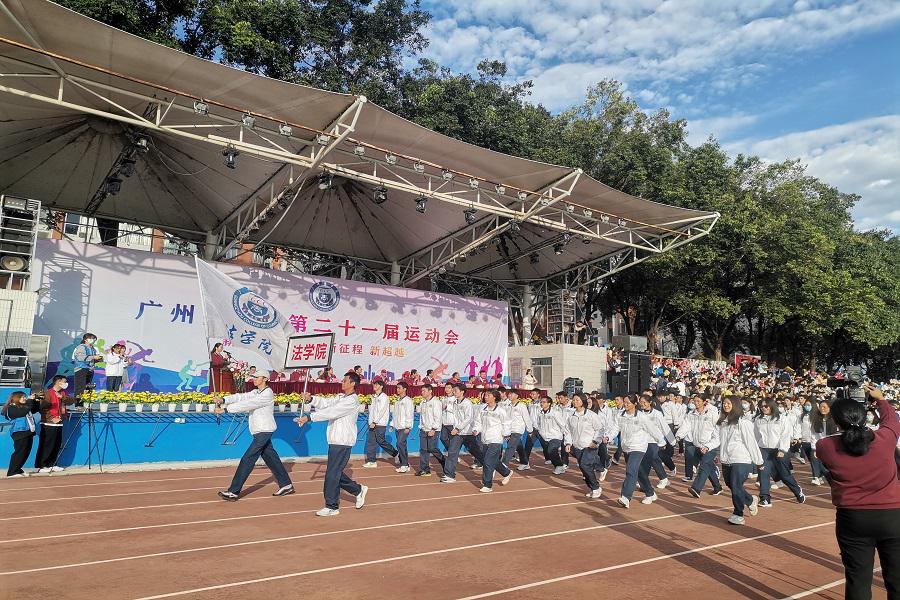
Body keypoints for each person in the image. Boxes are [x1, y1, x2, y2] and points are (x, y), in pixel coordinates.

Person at [816, 385, 900, 599]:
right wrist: (881, 400)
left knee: (858, 579)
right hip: (892, 516)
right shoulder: (885, 439)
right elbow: (892, 421)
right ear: (864, 417)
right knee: (897, 577)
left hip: (852, 518)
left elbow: (835, 442)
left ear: (836, 421)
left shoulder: (825, 446)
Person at [297, 372, 368, 516]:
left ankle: (332, 506)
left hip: (343, 441)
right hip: (334, 439)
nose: (342, 382)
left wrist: (309, 417)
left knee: (332, 474)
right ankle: (358, 490)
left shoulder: (352, 400)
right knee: (334, 473)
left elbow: (332, 412)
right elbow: (327, 403)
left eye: (345, 380)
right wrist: (311, 399)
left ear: (353, 383)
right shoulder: (341, 397)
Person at [214, 373, 293, 501]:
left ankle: (233, 491)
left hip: (264, 431)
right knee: (271, 458)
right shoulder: (256, 392)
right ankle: (286, 485)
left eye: (257, 377)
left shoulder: (267, 394)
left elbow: (249, 404)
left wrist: (226, 409)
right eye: (254, 377)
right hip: (259, 431)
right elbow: (241, 397)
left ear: (265, 379)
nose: (254, 379)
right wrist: (223, 400)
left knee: (248, 459)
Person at [717, 396, 763, 525]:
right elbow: (720, 441)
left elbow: (751, 442)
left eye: (729, 403)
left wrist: (759, 461)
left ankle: (738, 513)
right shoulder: (722, 423)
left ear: (735, 405)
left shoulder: (743, 423)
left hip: (741, 459)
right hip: (726, 459)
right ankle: (750, 500)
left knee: (736, 485)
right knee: (731, 485)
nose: (726, 405)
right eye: (724, 403)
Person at [754, 397, 805, 507]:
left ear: (772, 406)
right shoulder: (758, 419)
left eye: (766, 406)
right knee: (763, 473)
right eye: (761, 406)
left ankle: (797, 490)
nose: (764, 408)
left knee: (784, 475)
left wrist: (782, 449)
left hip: (778, 450)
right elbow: (756, 436)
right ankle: (765, 498)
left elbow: (785, 435)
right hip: (764, 450)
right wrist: (757, 449)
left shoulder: (781, 419)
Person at [609, 395, 657, 507]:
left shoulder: (641, 417)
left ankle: (625, 497)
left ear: (635, 404)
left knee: (630, 470)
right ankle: (650, 492)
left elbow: (653, 430)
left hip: (638, 447)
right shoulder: (620, 415)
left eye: (628, 403)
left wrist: (662, 442)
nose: (625, 405)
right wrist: (609, 437)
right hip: (626, 447)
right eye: (624, 402)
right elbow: (615, 428)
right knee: (638, 472)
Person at [677, 395, 723, 498]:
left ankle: (696, 488)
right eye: (694, 401)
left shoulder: (712, 414)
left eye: (698, 401)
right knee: (709, 467)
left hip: (710, 446)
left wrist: (709, 445)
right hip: (697, 445)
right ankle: (717, 487)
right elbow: (686, 426)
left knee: (703, 466)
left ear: (704, 402)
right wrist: (679, 435)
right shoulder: (691, 414)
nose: (696, 403)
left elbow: (717, 430)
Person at [563, 393, 604, 499]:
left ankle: (596, 487)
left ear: (583, 401)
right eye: (573, 400)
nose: (574, 402)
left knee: (584, 465)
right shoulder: (571, 416)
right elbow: (567, 431)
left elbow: (599, 429)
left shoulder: (591, 415)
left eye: (577, 400)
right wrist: (568, 443)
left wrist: (595, 441)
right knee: (583, 468)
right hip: (577, 446)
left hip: (590, 446)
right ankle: (593, 487)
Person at [476, 390, 512, 492]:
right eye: (485, 395)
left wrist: (506, 434)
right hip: (485, 439)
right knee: (493, 461)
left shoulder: (500, 410)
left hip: (496, 439)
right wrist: (476, 429)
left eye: (488, 395)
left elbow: (507, 423)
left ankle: (487, 485)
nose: (485, 397)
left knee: (487, 461)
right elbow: (478, 422)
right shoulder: (482, 409)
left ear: (494, 397)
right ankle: (506, 472)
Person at [35, 376, 73, 473]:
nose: (66, 383)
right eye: (64, 381)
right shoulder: (48, 393)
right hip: (49, 423)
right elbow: (43, 408)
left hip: (59, 422)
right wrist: (51, 418)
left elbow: (71, 401)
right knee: (47, 444)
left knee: (57, 444)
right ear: (58, 382)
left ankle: (53, 464)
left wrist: (62, 397)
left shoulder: (63, 393)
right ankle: (43, 465)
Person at [4, 391, 40, 477]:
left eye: (24, 397)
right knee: (20, 452)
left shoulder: (24, 406)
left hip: (28, 432)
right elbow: (23, 412)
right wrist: (30, 400)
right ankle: (12, 472)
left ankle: (18, 469)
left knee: (25, 452)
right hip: (19, 432)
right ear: (16, 398)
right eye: (22, 397)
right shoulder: (11, 408)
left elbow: (35, 409)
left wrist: (36, 400)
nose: (24, 398)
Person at [364, 380, 398, 468]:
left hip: (380, 423)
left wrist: (375, 421)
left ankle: (395, 453)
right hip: (372, 423)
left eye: (377, 384)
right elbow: (372, 411)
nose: (374, 386)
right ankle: (371, 461)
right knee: (371, 442)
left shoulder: (384, 397)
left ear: (381, 386)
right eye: (374, 384)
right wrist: (370, 422)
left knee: (381, 441)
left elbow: (381, 411)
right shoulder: (374, 397)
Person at [417, 384, 446, 477]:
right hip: (424, 429)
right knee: (423, 450)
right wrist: (421, 427)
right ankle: (424, 469)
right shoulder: (423, 402)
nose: (422, 392)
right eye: (421, 391)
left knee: (432, 448)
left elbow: (438, 417)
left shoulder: (436, 402)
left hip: (433, 430)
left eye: (424, 391)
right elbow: (422, 417)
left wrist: (433, 429)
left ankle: (445, 463)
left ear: (430, 391)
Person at [391, 382, 414, 473]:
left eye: (399, 388)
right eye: (397, 388)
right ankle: (406, 464)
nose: (397, 390)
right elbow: (394, 414)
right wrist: (392, 424)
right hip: (398, 426)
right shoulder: (397, 401)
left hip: (404, 427)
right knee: (402, 445)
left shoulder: (408, 401)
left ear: (404, 389)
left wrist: (408, 426)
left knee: (399, 443)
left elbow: (409, 414)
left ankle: (404, 464)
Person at [72, 333, 102, 400]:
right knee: (80, 388)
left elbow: (91, 359)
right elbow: (80, 357)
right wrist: (93, 357)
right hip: (81, 369)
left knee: (88, 387)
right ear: (85, 339)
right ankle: (79, 404)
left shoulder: (93, 349)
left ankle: (86, 402)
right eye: (91, 338)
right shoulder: (81, 347)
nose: (93, 340)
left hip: (90, 369)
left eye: (94, 339)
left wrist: (98, 359)